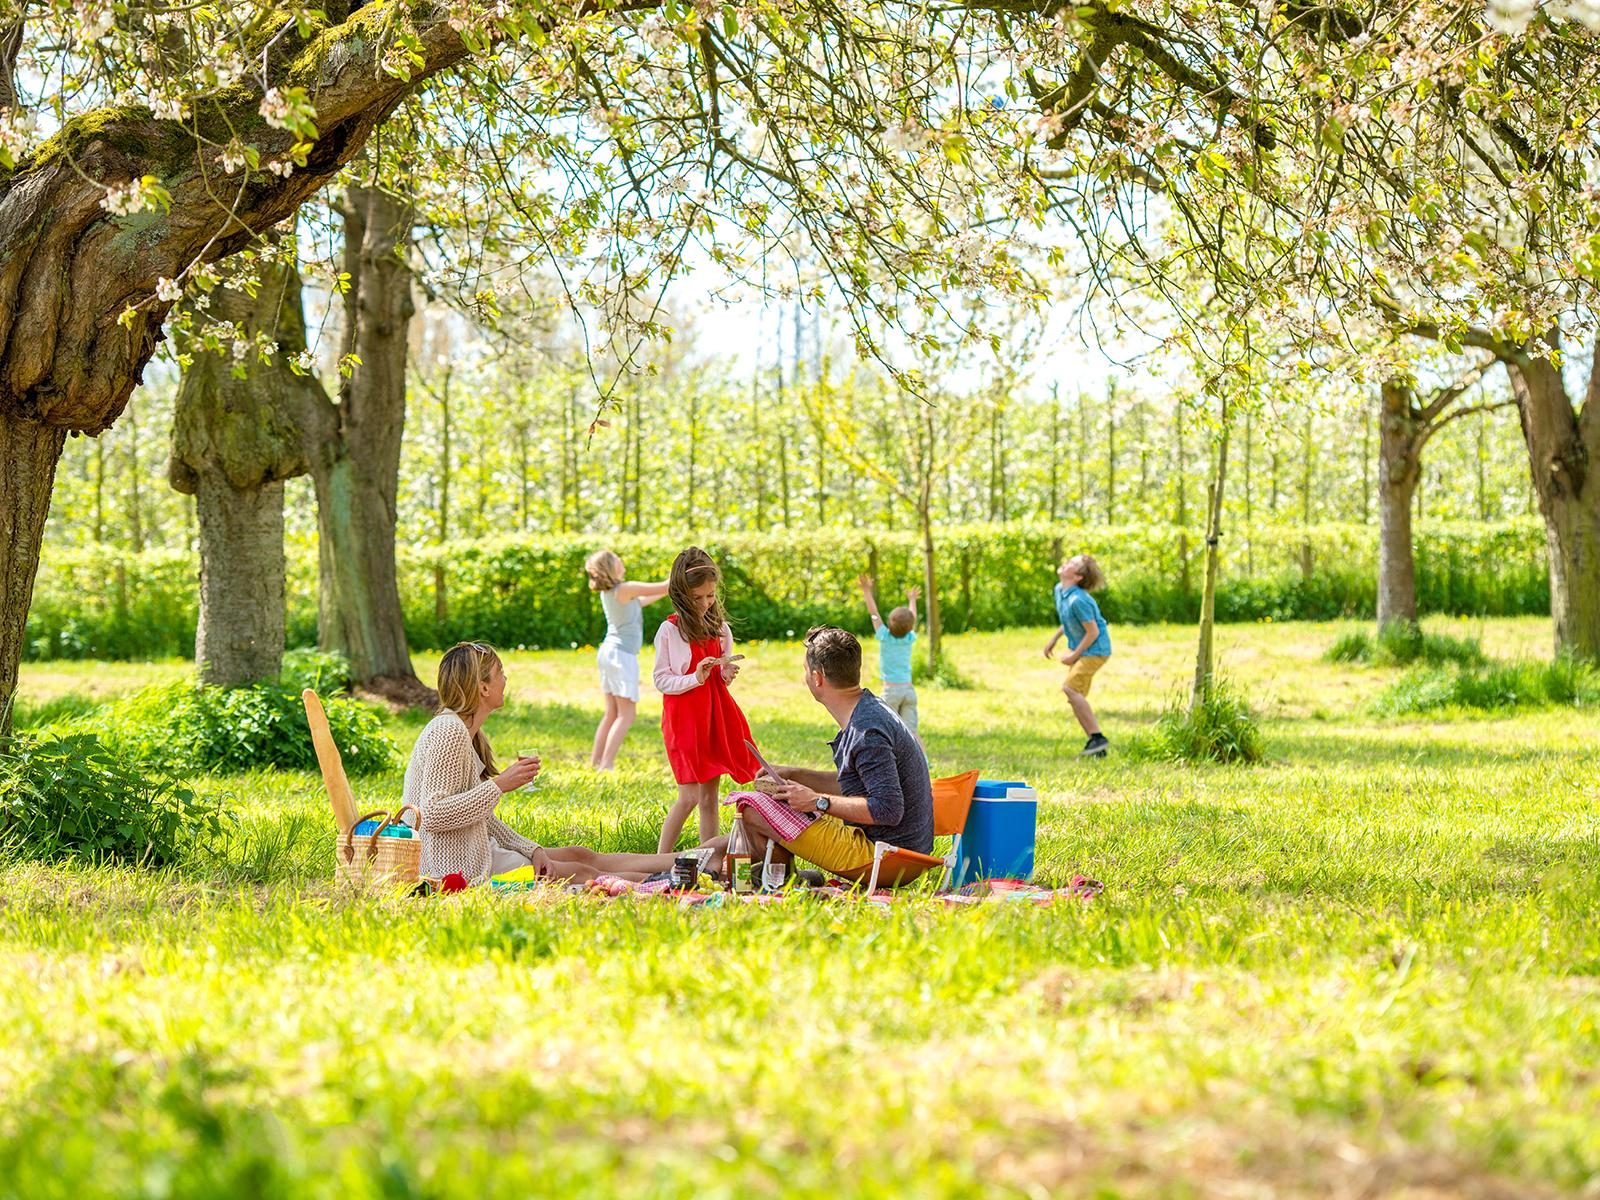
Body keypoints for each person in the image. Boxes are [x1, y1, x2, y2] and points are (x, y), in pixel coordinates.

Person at [405, 641, 709, 884]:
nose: (505, 679)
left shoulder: (467, 733)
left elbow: (481, 819)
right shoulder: (448, 731)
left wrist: (532, 849)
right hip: (454, 867)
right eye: (500, 673)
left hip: (474, 849)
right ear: (483, 688)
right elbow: (432, 814)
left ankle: (695, 860)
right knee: (583, 873)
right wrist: (500, 785)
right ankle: (671, 882)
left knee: (580, 854)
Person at [740, 626, 935, 884]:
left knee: (754, 810)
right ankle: (786, 877)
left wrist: (817, 801)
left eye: (805, 671)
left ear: (817, 678)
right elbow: (862, 785)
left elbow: (888, 809)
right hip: (899, 851)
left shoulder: (867, 731)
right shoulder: (869, 710)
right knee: (773, 804)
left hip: (887, 859)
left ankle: (781, 881)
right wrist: (796, 775)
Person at [652, 547, 759, 853]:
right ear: (681, 594)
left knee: (710, 797)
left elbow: (720, 676)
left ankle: (708, 858)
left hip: (716, 716)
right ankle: (660, 859)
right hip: (684, 719)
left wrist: (725, 672)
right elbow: (661, 679)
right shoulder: (670, 631)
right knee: (689, 796)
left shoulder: (720, 628)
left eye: (710, 596)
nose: (704, 603)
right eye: (696, 598)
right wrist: (695, 678)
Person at [584, 549, 670, 770]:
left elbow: (648, 597)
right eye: (616, 559)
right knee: (627, 715)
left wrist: (668, 590)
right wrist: (680, 572)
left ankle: (596, 762)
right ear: (610, 568)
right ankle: (607, 765)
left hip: (609, 653)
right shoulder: (625, 588)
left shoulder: (616, 592)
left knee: (612, 712)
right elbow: (664, 586)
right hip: (621, 656)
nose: (621, 561)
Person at [1044, 553, 1112, 757]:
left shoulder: (1078, 600)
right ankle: (1096, 746)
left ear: (1078, 577)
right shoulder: (1060, 591)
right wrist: (1054, 639)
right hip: (1086, 649)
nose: (1065, 563)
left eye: (1071, 564)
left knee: (1070, 689)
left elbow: (1093, 632)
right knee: (1075, 696)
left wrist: (1074, 657)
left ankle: (1097, 738)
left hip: (1095, 650)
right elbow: (1067, 621)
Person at [857, 573, 921, 737]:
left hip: (891, 691)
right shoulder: (909, 638)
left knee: (887, 732)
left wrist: (866, 590)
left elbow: (874, 612)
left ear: (890, 623)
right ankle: (923, 762)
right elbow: (912, 617)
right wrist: (912, 599)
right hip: (908, 690)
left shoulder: (884, 636)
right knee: (911, 733)